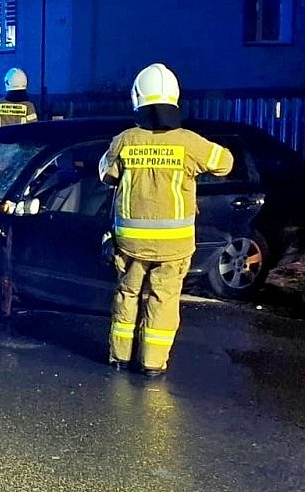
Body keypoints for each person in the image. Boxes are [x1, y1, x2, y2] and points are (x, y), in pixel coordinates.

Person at [98, 63, 233, 378]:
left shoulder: (125, 140)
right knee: (164, 299)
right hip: (174, 245)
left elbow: (107, 174)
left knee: (127, 295)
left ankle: (119, 357)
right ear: (174, 98)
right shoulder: (188, 142)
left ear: (137, 99)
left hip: (130, 243)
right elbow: (225, 163)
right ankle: (152, 364)